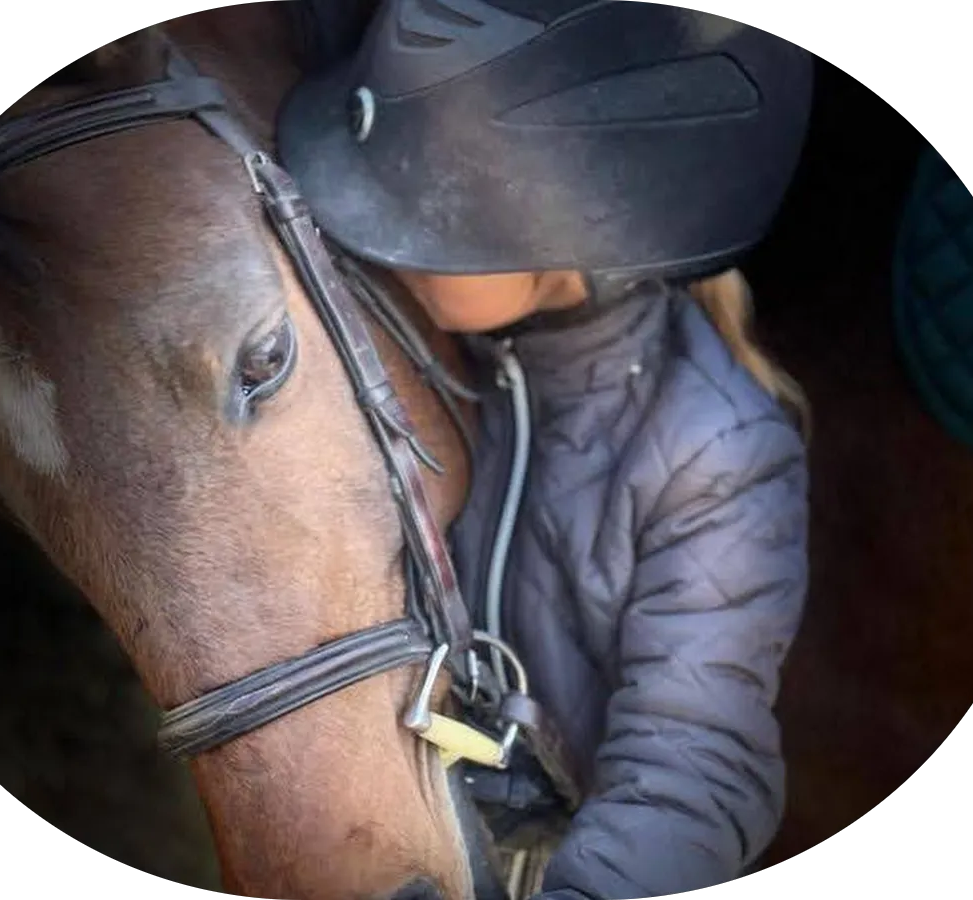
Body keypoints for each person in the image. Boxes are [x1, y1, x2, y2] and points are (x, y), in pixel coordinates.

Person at [277, 1, 813, 897]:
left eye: (431, 214)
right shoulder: (446, 348)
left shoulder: (719, 457)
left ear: (574, 238)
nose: (376, 238)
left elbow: (693, 771)